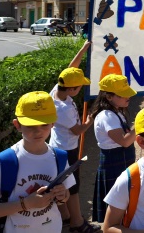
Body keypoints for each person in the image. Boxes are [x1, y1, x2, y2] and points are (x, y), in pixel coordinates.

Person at [0, 91, 74, 232]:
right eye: (30, 126)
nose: (38, 131)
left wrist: (62, 196)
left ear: (53, 122)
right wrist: (25, 204)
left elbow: (65, 196)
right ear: (17, 125)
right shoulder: (3, 163)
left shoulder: (60, 157)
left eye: (44, 125)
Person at [49, 41, 100, 232]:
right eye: (79, 87)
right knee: (73, 187)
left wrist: (83, 49)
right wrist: (91, 118)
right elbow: (77, 131)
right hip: (68, 150)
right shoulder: (63, 109)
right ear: (71, 89)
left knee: (60, 183)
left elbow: (71, 68)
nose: (80, 90)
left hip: (56, 146)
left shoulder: (56, 91)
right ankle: (78, 222)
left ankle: (66, 217)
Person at [90, 74, 137, 223]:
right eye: (123, 94)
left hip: (121, 163)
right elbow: (124, 141)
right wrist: (142, 123)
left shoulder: (117, 112)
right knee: (116, 208)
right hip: (114, 164)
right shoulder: (107, 116)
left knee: (122, 205)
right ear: (109, 97)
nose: (127, 97)